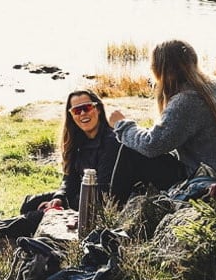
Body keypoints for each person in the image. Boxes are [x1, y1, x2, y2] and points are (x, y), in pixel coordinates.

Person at [31, 89, 185, 212]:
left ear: (97, 109)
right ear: (71, 116)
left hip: (106, 196)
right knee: (30, 203)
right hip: (89, 191)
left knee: (34, 217)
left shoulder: (112, 141)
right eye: (77, 111)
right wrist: (59, 197)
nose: (83, 113)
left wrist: (64, 206)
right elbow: (69, 179)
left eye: (87, 108)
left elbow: (104, 193)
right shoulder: (77, 144)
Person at [108, 39, 216, 179]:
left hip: (207, 180)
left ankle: (109, 194)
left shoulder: (187, 100)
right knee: (136, 143)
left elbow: (151, 145)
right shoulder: (214, 86)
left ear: (160, 69)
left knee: (130, 151)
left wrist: (122, 126)